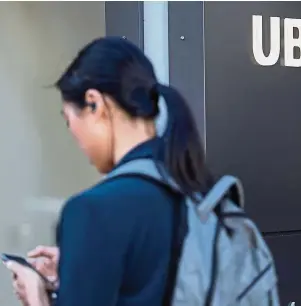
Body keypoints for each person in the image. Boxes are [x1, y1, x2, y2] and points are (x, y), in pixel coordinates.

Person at [7, 36, 213, 306]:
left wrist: (36, 297)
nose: (75, 137)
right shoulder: (197, 192)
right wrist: (81, 269)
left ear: (94, 104)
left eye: (69, 120)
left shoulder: (93, 210)